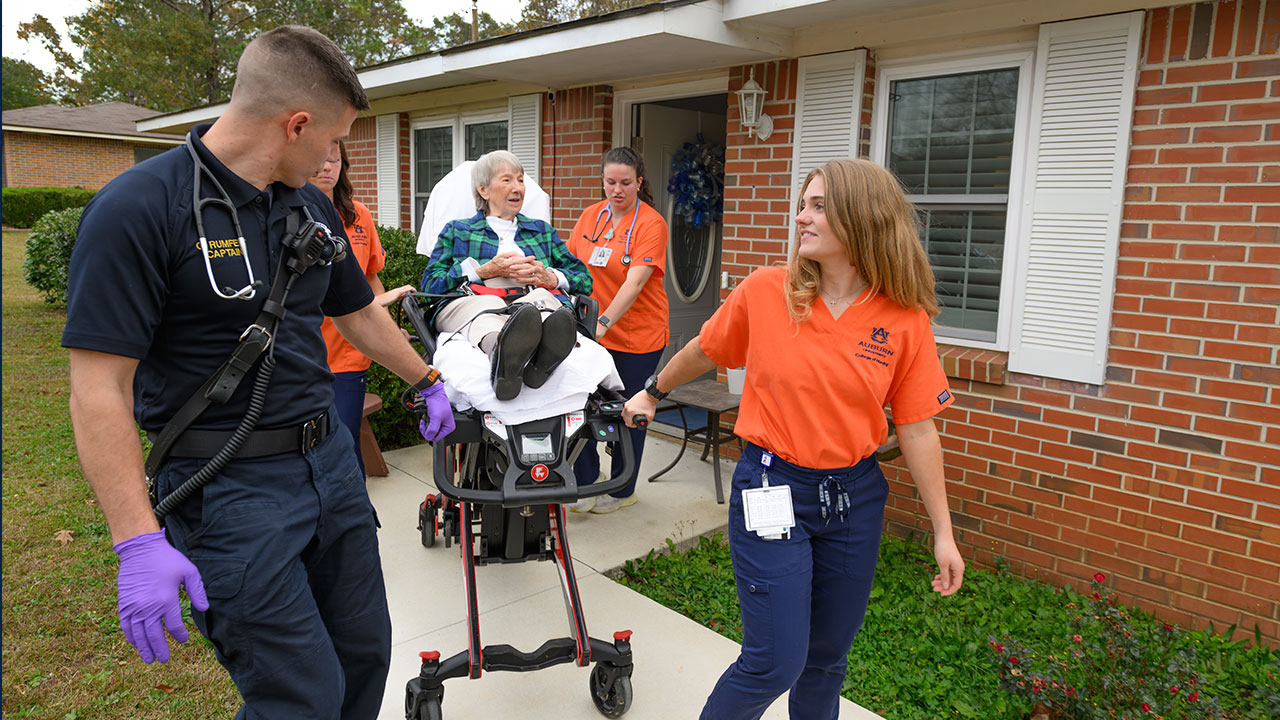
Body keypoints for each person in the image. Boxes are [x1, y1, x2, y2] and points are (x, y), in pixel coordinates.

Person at [61, 26, 453, 719]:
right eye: (331, 140)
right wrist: (137, 541)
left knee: (363, 659)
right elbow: (99, 389)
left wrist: (426, 380)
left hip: (329, 466)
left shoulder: (303, 203)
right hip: (229, 492)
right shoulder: (137, 211)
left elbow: (357, 312)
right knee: (300, 698)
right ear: (296, 124)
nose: (334, 157)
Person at [623, 158, 966, 719]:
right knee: (775, 660)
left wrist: (943, 534)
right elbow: (706, 349)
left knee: (828, 658)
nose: (801, 217)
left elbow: (918, 427)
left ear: (863, 219)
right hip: (771, 486)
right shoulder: (765, 291)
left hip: (853, 498)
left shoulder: (902, 319)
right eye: (803, 204)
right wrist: (652, 390)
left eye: (818, 206)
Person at [422, 150, 592, 401]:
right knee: (489, 306)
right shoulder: (459, 230)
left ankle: (540, 363)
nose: (518, 188)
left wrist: (549, 277)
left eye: (521, 180)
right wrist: (480, 271)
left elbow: (584, 279)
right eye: (507, 180)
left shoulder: (541, 231)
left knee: (539, 304)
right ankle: (502, 358)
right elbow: (431, 283)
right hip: (474, 299)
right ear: (484, 190)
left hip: (530, 299)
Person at [565, 146, 669, 514]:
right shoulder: (591, 216)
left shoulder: (652, 224)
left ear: (639, 182)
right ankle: (587, 481)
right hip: (592, 333)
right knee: (582, 406)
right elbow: (570, 265)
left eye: (626, 182)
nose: (617, 189)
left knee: (628, 413)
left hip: (636, 336)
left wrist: (604, 322)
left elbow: (636, 283)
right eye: (610, 182)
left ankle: (623, 489)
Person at [311, 141, 414, 476]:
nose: (327, 166)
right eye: (321, 158)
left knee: (345, 443)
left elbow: (371, 280)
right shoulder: (283, 213)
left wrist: (382, 326)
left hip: (348, 353)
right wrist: (376, 304)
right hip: (303, 352)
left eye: (335, 159)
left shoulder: (358, 216)